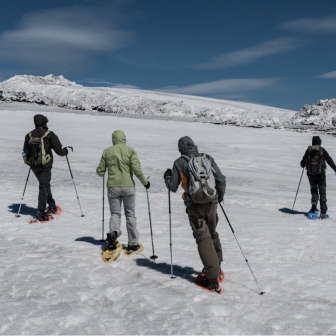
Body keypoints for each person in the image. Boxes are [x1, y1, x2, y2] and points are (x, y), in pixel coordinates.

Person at [164, 136, 226, 294]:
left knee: (203, 238)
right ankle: (217, 268)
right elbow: (220, 179)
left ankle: (212, 280)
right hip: (212, 203)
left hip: (194, 206)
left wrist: (168, 177)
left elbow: (173, 187)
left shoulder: (180, 162)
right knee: (212, 234)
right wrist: (219, 197)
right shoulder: (207, 158)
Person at [96, 130, 149, 253]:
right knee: (130, 214)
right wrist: (145, 182)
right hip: (128, 186)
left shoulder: (107, 151)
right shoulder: (130, 151)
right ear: (124, 138)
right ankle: (133, 244)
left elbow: (100, 172)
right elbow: (136, 169)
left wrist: (102, 168)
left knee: (115, 214)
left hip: (113, 187)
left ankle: (114, 233)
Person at [22, 114, 68, 222]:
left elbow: (25, 150)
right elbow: (59, 151)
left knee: (45, 184)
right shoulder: (49, 134)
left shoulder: (29, 135)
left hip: (33, 165)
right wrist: (66, 151)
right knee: (43, 186)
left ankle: (52, 205)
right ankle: (40, 212)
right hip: (45, 165)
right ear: (45, 123)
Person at [300, 135, 336, 219]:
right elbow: (329, 159)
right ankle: (323, 212)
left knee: (314, 190)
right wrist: (334, 168)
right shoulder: (322, 150)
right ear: (319, 142)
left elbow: (302, 164)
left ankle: (314, 205)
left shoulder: (308, 151)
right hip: (321, 175)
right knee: (322, 192)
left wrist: (305, 164)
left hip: (311, 175)